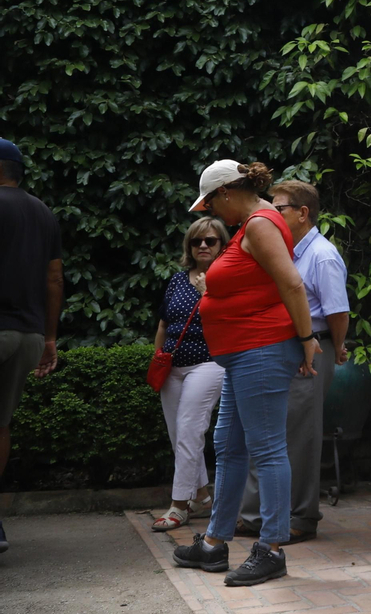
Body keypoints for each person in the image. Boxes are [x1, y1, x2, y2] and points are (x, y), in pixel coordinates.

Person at [169, 159, 319, 588]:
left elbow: (291, 283)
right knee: (229, 446)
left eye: (212, 204)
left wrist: (307, 338)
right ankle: (215, 543)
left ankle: (271, 549)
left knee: (268, 449)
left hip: (262, 350)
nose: (212, 213)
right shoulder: (252, 225)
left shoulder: (260, 224)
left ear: (227, 193)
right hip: (242, 354)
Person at [236, 179, 348, 544]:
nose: (272, 213)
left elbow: (337, 312)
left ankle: (300, 516)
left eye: (279, 207)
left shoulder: (322, 255)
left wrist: (337, 347)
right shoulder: (287, 249)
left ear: (302, 213)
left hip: (312, 348)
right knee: (269, 432)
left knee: (300, 435)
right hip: (281, 347)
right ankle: (256, 515)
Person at [0, 137, 62, 556]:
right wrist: (50, 338)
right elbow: (54, 278)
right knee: (0, 424)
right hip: (27, 334)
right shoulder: (42, 212)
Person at [150, 216, 227, 533]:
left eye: (211, 240)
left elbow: (230, 321)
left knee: (189, 430)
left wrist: (209, 291)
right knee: (178, 435)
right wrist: (158, 358)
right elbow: (164, 325)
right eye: (197, 241)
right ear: (189, 246)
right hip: (173, 366)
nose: (204, 246)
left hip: (210, 363)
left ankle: (178, 506)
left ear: (222, 244)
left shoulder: (227, 280)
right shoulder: (177, 281)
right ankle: (201, 496)